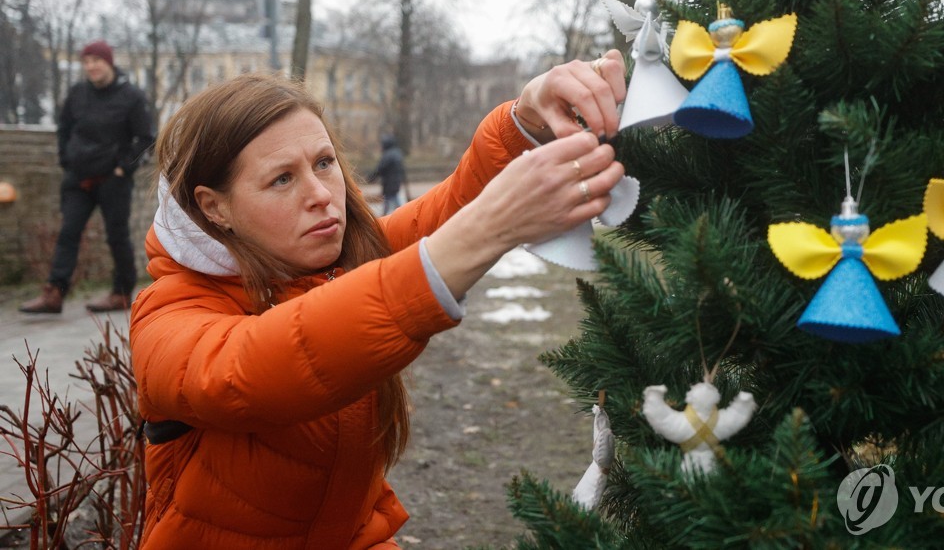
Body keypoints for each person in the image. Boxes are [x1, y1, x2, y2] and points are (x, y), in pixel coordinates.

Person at [131, 52, 626, 549]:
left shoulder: (338, 266)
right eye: (282, 179)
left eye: (324, 164)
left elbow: (449, 207)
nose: (322, 194)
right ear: (215, 208)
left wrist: (527, 119)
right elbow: (252, 369)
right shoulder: (168, 311)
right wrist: (488, 230)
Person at [20, 39, 155, 314]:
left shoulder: (131, 96)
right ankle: (55, 293)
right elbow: (64, 129)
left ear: (109, 62)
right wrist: (66, 160)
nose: (92, 66)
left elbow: (145, 139)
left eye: (97, 60)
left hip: (113, 180)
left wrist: (123, 169)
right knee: (68, 233)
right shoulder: (78, 93)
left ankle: (120, 293)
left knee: (116, 236)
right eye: (87, 61)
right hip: (77, 179)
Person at [367, 134, 410, 214]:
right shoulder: (397, 153)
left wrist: (369, 179)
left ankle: (401, 214)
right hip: (395, 182)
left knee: (390, 199)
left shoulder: (388, 155)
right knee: (393, 199)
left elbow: (379, 169)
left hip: (389, 183)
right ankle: (403, 213)